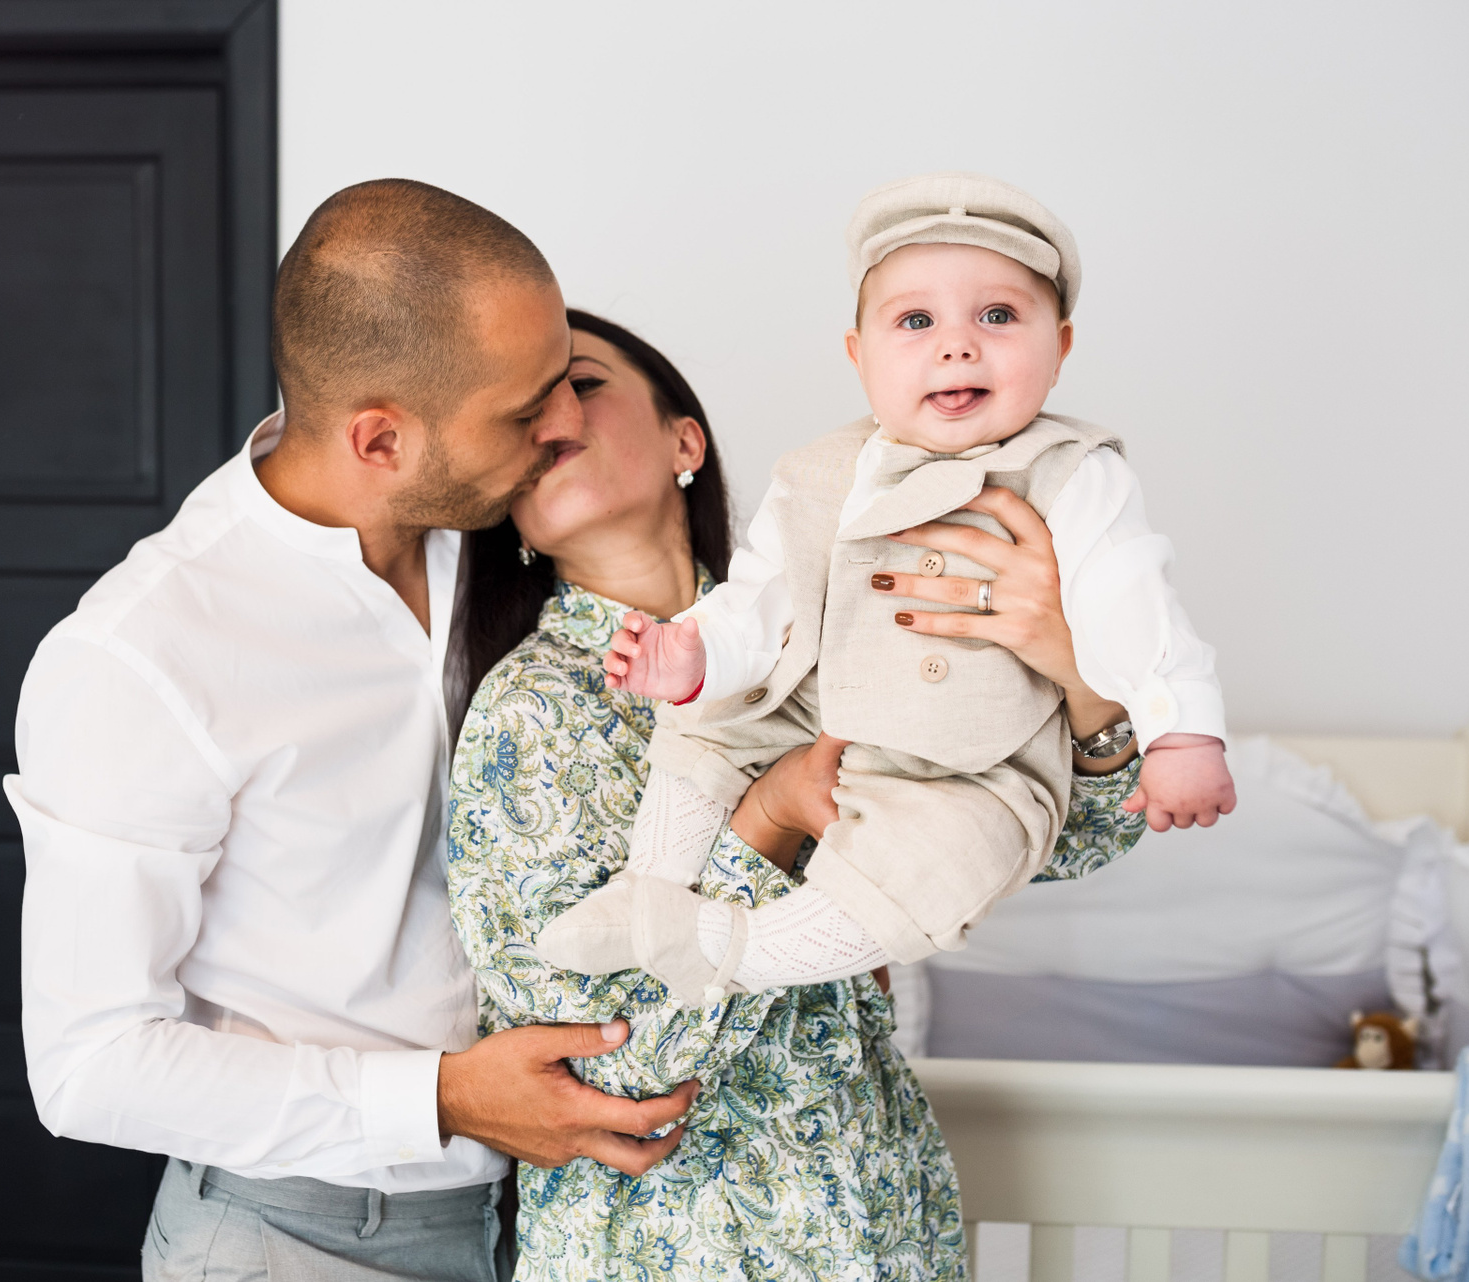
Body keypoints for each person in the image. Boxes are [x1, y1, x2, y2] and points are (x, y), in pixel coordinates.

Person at [10, 180, 703, 1282]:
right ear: (381, 439)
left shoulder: (506, 533)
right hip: (296, 1241)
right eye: (527, 410)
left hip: (550, 1222)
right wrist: (444, 1098)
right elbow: (89, 1066)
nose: (564, 428)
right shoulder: (142, 655)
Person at [446, 309, 1152, 1277]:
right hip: (674, 1251)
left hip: (878, 1221)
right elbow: (597, 1070)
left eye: (584, 382)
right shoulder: (529, 711)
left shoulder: (830, 624)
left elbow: (1064, 839)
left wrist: (1073, 667)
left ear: (685, 442)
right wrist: (764, 824)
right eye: (521, 412)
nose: (553, 417)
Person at [539, 173, 1236, 1008]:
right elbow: (761, 598)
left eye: (998, 316)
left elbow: (1135, 602)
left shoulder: (1073, 474)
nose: (957, 346)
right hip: (815, 701)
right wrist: (698, 654)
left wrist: (1181, 733)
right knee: (709, 719)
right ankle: (651, 887)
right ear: (858, 356)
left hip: (966, 752)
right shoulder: (819, 471)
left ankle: (733, 946)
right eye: (915, 321)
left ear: (1061, 348)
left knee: (943, 855)